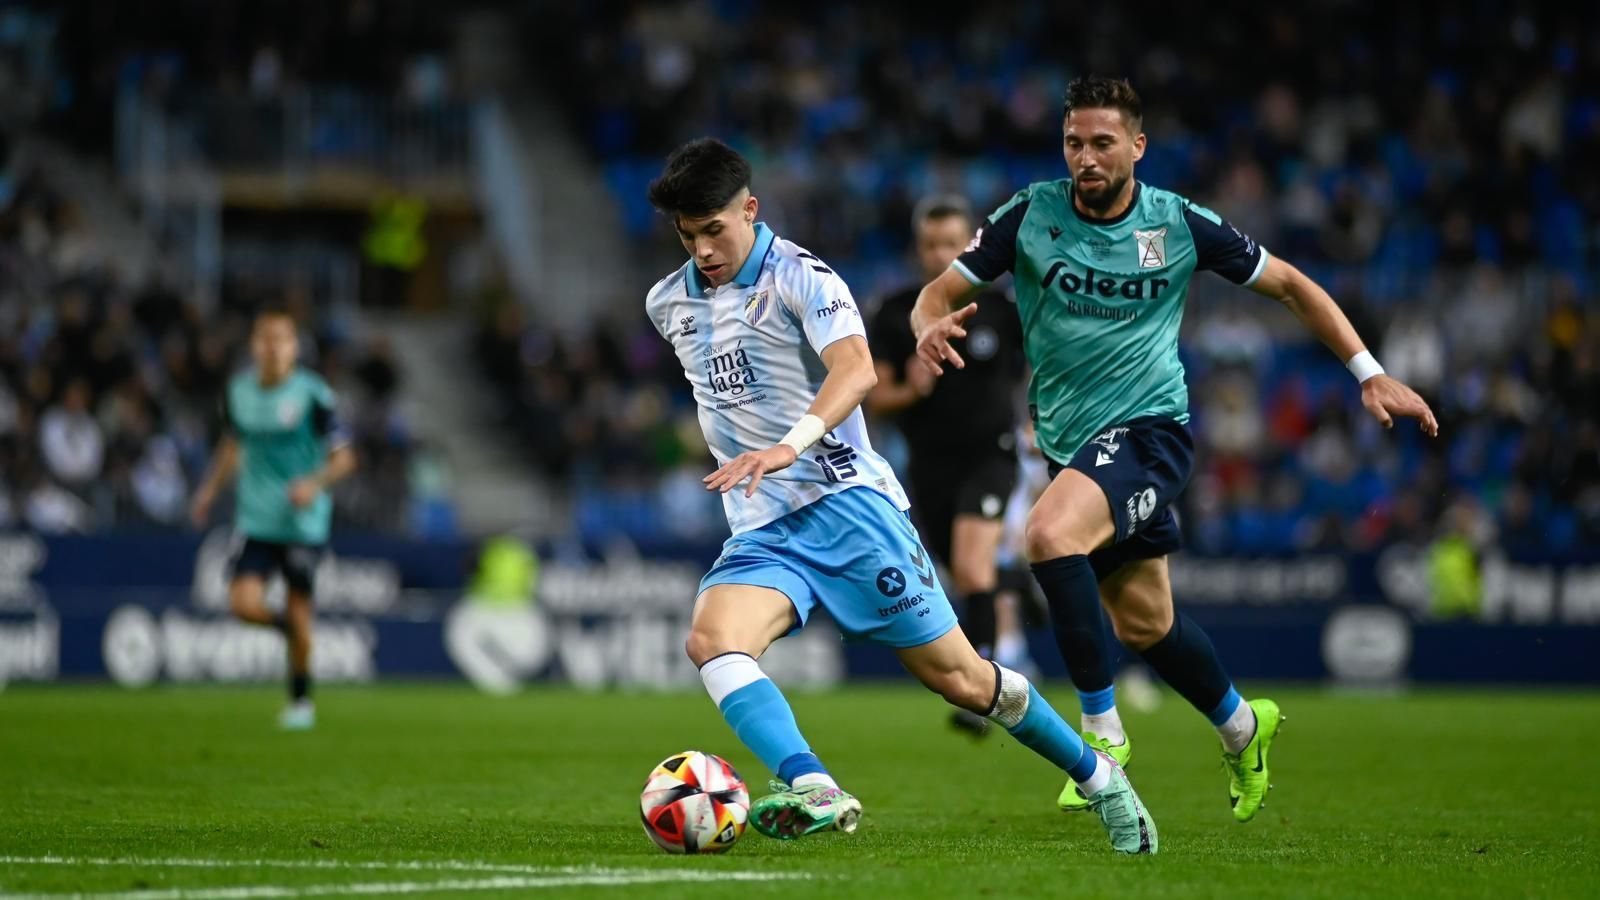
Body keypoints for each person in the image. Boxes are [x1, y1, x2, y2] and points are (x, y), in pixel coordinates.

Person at [912, 76, 1438, 822]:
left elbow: (1289, 284)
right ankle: (1243, 727)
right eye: (1073, 143)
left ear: (1137, 145)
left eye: (1101, 143)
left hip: (1150, 432)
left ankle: (1101, 737)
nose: (1085, 158)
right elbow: (935, 291)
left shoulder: (1178, 223)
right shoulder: (1029, 215)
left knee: (1047, 534)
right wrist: (926, 325)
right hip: (1070, 442)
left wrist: (1370, 372)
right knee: (1145, 625)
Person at [645, 137, 1157, 853]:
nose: (702, 249)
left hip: (850, 508)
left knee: (965, 680)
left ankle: (1101, 777)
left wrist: (787, 447)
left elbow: (855, 373)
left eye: (714, 229)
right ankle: (811, 783)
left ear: (750, 210)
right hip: (763, 527)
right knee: (712, 640)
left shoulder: (803, 277)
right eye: (687, 234)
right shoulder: (667, 302)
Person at [867, 194, 1027, 738]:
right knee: (963, 573)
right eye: (931, 244)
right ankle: (1019, 586)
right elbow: (873, 398)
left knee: (971, 561)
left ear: (971, 246)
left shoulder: (1002, 309)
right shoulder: (895, 312)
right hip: (929, 467)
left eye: (952, 244)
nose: (941, 255)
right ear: (918, 247)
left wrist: (1036, 425)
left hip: (991, 455)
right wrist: (910, 389)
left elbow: (1031, 378)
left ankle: (981, 687)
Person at [190, 309, 357, 730]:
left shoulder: (313, 394)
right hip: (258, 520)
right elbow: (232, 446)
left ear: (294, 347)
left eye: (282, 339)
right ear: (254, 346)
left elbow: (345, 459)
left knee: (301, 603)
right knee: (242, 603)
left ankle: (300, 703)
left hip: (303, 523)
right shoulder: (239, 393)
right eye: (265, 339)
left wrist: (314, 484)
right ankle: (289, 629)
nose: (273, 347)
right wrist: (209, 491)